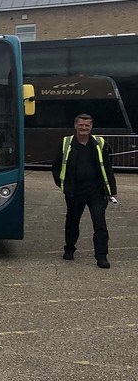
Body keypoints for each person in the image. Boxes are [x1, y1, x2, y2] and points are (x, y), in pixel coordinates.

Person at [52, 113, 118, 268]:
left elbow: (107, 168)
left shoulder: (99, 143)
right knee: (72, 222)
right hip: (75, 190)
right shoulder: (66, 143)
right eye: (81, 125)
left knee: (99, 222)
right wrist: (63, 185)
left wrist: (112, 190)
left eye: (87, 125)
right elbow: (56, 166)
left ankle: (101, 256)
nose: (83, 128)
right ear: (75, 125)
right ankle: (69, 249)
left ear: (91, 127)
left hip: (96, 191)